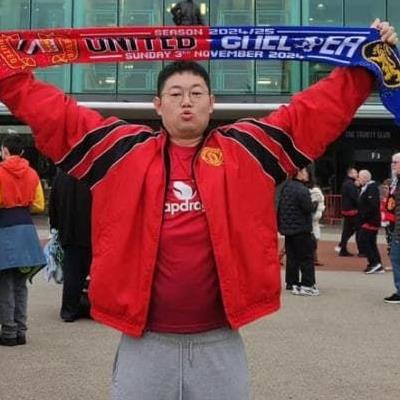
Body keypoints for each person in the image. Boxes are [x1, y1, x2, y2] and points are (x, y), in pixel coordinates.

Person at [0, 19, 396, 400]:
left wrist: (365, 63)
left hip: (219, 340)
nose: (186, 101)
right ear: (158, 105)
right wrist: (7, 69)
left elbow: (312, 113)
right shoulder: (120, 151)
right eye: (175, 94)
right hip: (144, 342)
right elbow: (56, 114)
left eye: (196, 93)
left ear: (212, 103)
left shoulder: (247, 149)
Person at [0, 134, 46, 346]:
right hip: (26, 230)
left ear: (5, 151)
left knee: (5, 284)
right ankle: (21, 330)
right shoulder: (32, 174)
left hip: (5, 228)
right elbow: (38, 205)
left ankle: (8, 332)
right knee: (21, 284)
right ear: (22, 152)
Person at [48, 169, 92, 322]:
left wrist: (55, 225)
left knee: (72, 273)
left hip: (69, 231)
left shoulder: (62, 174)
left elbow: (53, 202)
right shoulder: (95, 169)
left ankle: (69, 310)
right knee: (97, 271)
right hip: (92, 230)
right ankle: (96, 307)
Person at [278, 167, 319, 295]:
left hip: (289, 229)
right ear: (299, 173)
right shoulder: (302, 189)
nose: (307, 174)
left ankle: (292, 283)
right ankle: (307, 285)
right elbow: (308, 208)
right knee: (306, 257)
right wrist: (315, 203)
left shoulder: (286, 187)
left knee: (292, 257)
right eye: (306, 172)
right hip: (301, 228)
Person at [357, 169, 383, 274]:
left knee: (363, 240)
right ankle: (377, 263)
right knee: (371, 242)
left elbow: (372, 205)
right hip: (369, 219)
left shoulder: (372, 188)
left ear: (365, 178)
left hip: (371, 220)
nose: (358, 179)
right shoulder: (366, 187)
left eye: (359, 177)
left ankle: (374, 262)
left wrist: (364, 216)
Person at [384, 153, 400, 303]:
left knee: (396, 257)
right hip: (396, 226)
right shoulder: (395, 181)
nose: (393, 165)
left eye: (395, 162)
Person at [336, 167, 360, 256]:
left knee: (347, 230)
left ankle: (342, 246)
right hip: (351, 210)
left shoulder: (347, 183)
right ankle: (343, 246)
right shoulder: (350, 184)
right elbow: (354, 197)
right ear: (350, 174)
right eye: (355, 173)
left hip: (347, 209)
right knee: (355, 229)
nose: (357, 174)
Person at [308, 169, 325, 266]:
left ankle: (314, 258)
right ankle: (314, 258)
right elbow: (313, 206)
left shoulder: (314, 190)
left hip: (314, 219)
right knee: (313, 238)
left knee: (315, 238)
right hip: (311, 219)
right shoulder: (314, 191)